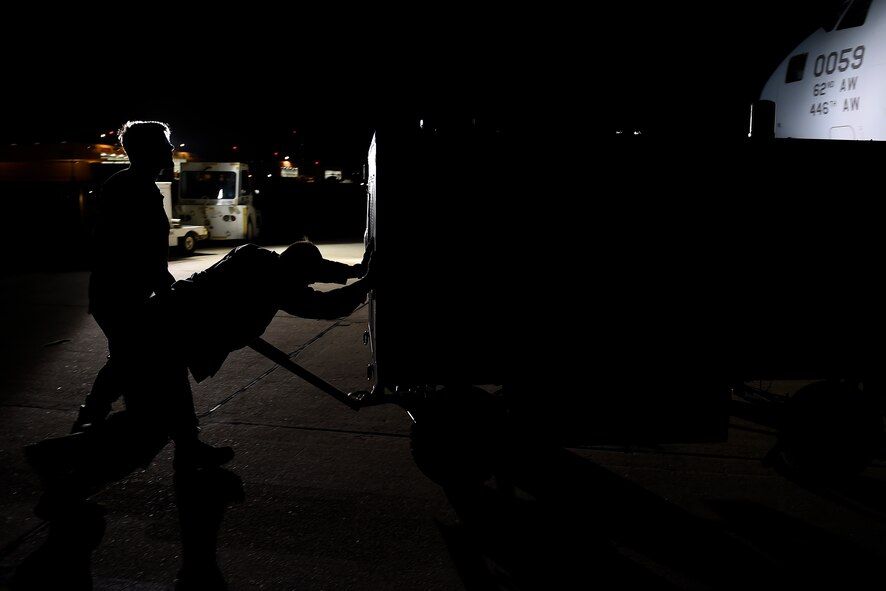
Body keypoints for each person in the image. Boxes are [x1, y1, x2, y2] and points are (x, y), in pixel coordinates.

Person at [23, 240, 373, 520]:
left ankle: (186, 452)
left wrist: (354, 271)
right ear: (296, 273)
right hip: (159, 346)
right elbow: (328, 307)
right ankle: (56, 461)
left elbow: (312, 269)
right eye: (306, 279)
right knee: (147, 431)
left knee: (170, 417)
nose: (306, 284)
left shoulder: (255, 256)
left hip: (155, 333)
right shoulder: (274, 283)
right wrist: (368, 283)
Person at [74, 119, 232, 469]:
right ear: (145, 149)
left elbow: (144, 253)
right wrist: (166, 288)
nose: (171, 149)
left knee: (155, 363)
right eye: (165, 144)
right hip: (120, 297)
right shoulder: (128, 187)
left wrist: (165, 286)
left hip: (135, 294)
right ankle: (89, 426)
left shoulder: (142, 185)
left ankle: (183, 444)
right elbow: (123, 248)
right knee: (136, 362)